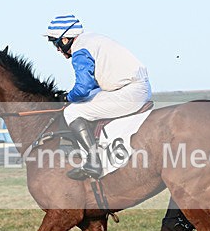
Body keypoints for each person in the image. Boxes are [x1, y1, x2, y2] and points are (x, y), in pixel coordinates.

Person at [45, 14, 152, 180]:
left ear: (65, 39)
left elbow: (82, 89)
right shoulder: (91, 39)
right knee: (80, 104)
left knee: (71, 112)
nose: (57, 49)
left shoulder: (80, 50)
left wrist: (67, 98)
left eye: (55, 43)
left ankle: (93, 162)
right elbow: (93, 86)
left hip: (129, 92)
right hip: (132, 88)